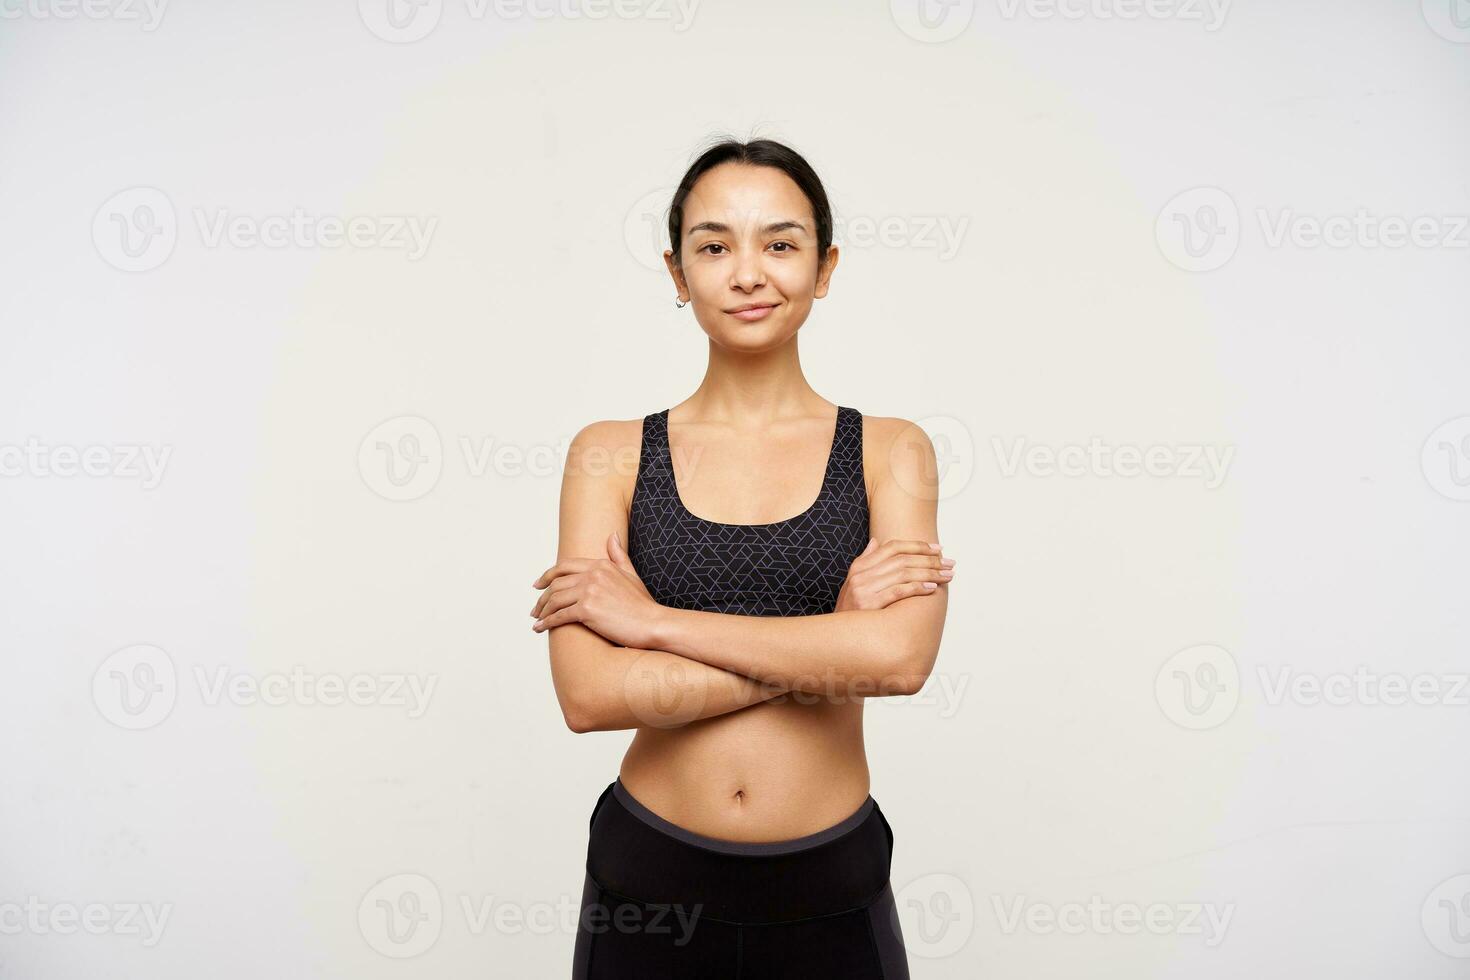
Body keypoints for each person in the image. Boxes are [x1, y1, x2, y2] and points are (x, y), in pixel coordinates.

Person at [531, 136, 951, 979]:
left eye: (781, 243)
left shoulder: (890, 451)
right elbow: (591, 695)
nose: (748, 272)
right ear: (678, 274)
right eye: (715, 246)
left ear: (824, 267)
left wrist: (650, 623)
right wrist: (835, 641)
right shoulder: (608, 455)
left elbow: (900, 660)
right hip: (651, 880)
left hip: (830, 877)